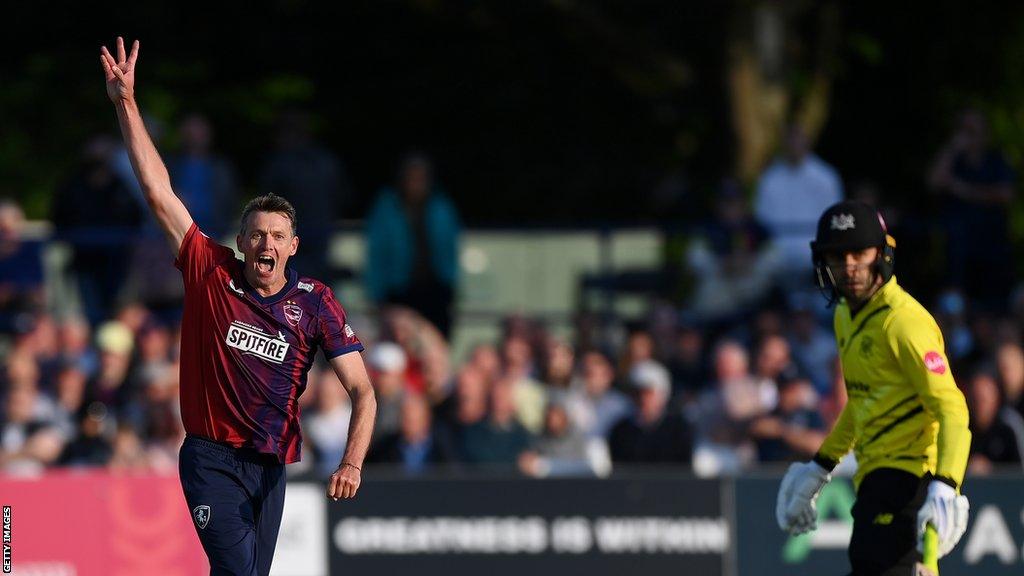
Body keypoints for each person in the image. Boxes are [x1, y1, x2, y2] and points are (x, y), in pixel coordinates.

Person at [99, 38, 376, 576]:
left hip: (270, 465)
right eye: (256, 235)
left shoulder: (315, 303)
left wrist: (352, 461)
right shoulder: (210, 270)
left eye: (277, 236)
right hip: (210, 459)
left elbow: (363, 390)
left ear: (293, 245)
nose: (266, 245)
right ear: (242, 241)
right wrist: (126, 104)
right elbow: (159, 193)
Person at [775, 200, 971, 575]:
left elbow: (951, 407)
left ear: (881, 253)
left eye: (858, 253)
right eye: (837, 255)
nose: (848, 267)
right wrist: (821, 465)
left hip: (912, 480)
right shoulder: (845, 316)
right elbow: (863, 401)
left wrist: (947, 484)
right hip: (874, 479)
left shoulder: (903, 322)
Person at [364, 153, 461, 337]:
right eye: (411, 177)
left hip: (436, 288)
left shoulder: (441, 207)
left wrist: (451, 283)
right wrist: (376, 293)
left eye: (421, 178)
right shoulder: (386, 208)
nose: (416, 183)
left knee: (436, 342)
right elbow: (376, 254)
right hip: (398, 289)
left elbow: (450, 249)